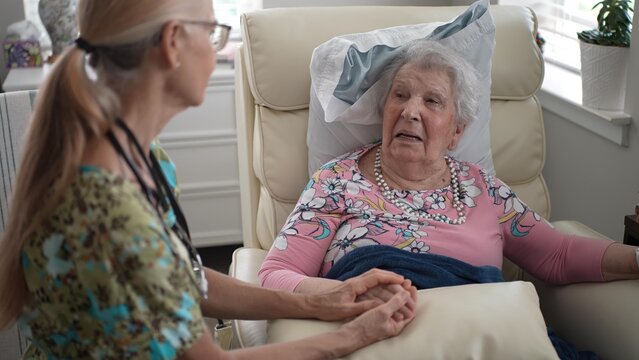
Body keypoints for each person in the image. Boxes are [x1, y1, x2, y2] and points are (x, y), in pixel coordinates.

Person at [0, 0, 418, 359]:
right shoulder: (112, 213)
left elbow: (185, 276)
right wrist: (352, 337)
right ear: (172, 43)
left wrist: (320, 302)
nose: (221, 48)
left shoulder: (141, 153)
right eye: (215, 33)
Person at [258, 40, 639, 296]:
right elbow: (275, 274)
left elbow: (559, 254)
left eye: (432, 101)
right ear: (384, 110)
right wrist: (346, 294)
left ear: (457, 131)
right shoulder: (337, 181)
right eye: (401, 95)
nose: (410, 111)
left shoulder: (483, 190)